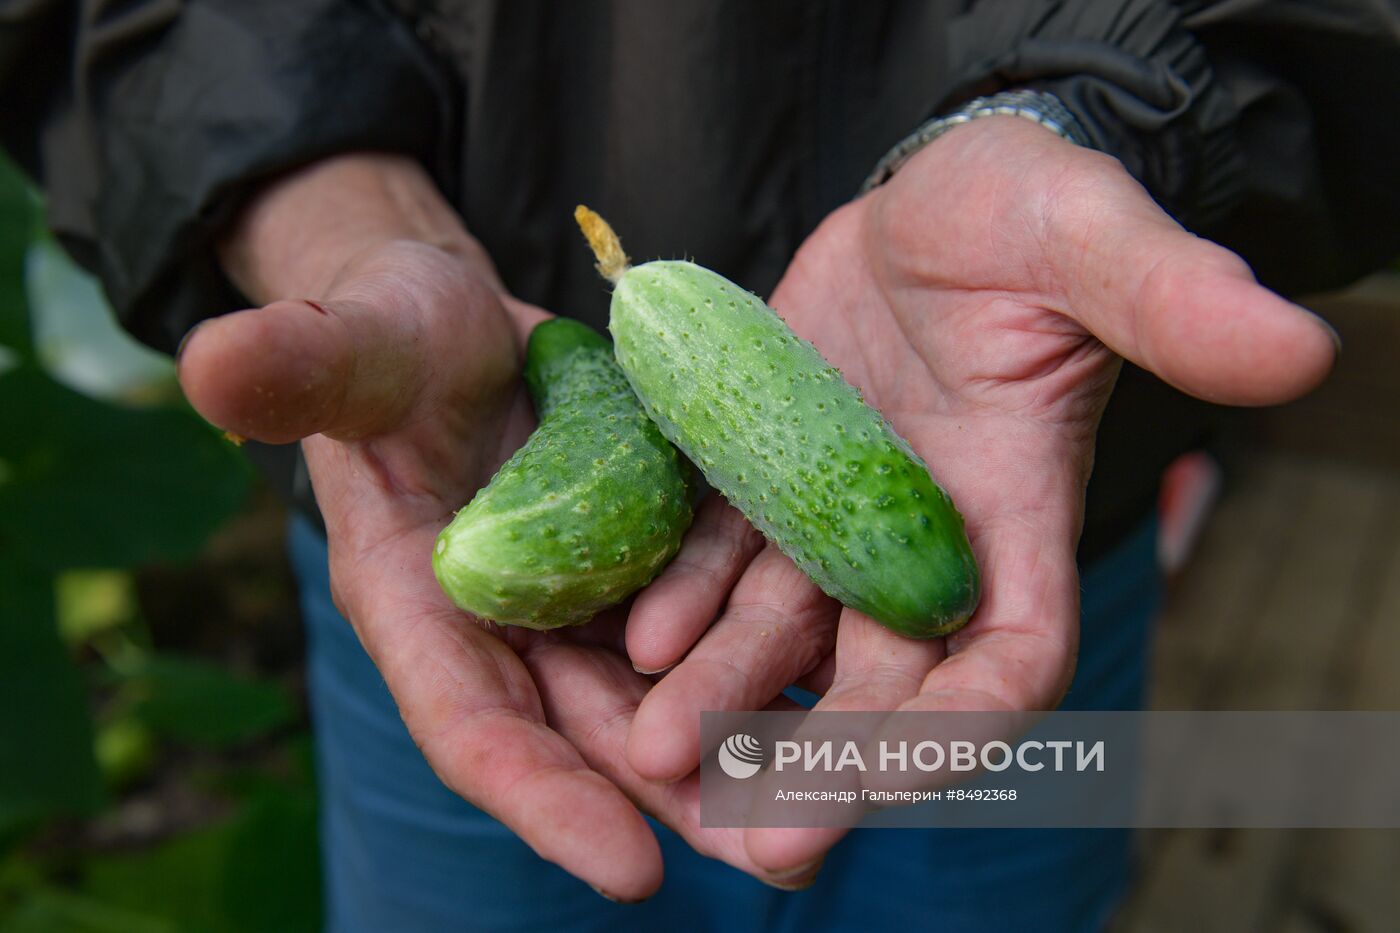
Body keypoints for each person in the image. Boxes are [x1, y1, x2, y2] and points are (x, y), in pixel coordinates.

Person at [5, 1, 1398, 929]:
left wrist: (1104, 108)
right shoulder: (591, 376)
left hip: (1030, 490)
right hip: (431, 468)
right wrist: (324, 205)